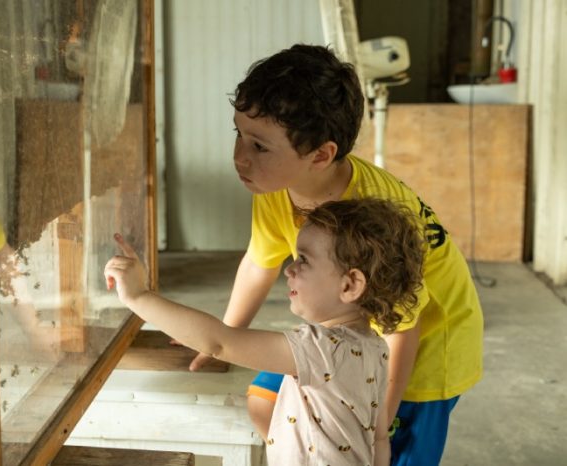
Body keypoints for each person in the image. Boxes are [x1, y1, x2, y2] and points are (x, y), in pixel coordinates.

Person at [185, 44, 483, 465]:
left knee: (391, 452)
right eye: (239, 134)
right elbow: (259, 261)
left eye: (260, 146)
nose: (240, 157)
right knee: (264, 400)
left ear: (321, 155)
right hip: (346, 337)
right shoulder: (276, 187)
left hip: (428, 344)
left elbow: (403, 329)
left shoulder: (371, 213)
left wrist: (377, 421)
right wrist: (220, 339)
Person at [105, 197, 426, 466]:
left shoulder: (320, 349)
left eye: (304, 260)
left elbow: (218, 342)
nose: (289, 268)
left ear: (349, 285)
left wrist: (139, 296)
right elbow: (379, 437)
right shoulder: (375, 346)